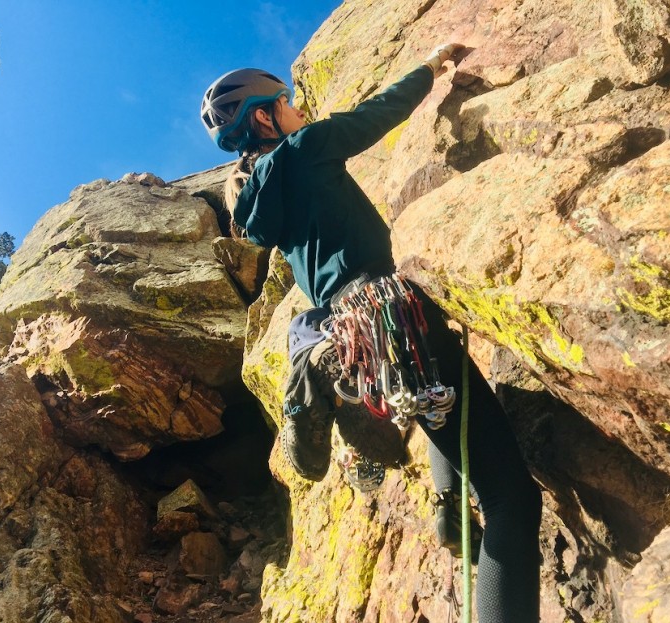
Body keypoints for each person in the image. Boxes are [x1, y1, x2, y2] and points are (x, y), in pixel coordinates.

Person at [200, 44, 543, 623]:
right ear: (263, 117)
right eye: (285, 102)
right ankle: (456, 507)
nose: (295, 109)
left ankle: (446, 501)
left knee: (437, 392)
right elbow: (377, 114)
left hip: (357, 337)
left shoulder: (259, 197)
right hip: (392, 313)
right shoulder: (304, 150)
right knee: (513, 502)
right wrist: (430, 67)